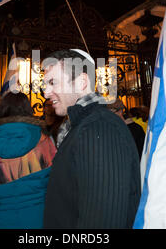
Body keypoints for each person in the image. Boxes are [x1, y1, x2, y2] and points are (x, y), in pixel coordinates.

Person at [42, 49, 141, 228]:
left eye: (52, 82)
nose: (46, 92)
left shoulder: (100, 127)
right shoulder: (81, 126)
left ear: (81, 82)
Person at [0, 92, 57, 229]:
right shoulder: (44, 140)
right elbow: (55, 178)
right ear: (28, 109)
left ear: (1, 109)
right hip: (35, 216)